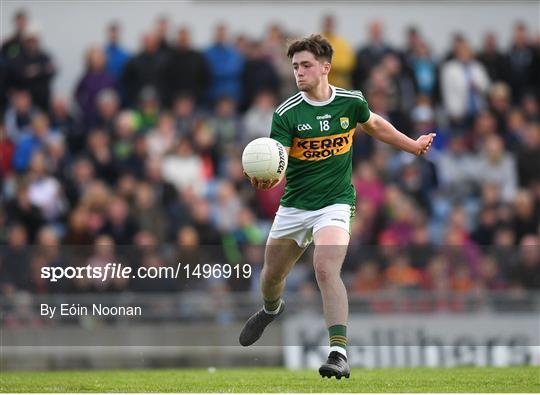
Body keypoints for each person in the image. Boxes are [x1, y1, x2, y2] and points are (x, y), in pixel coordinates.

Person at [239, 34, 435, 379]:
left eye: (306, 65)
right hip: (295, 204)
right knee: (271, 277)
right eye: (295, 66)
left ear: (325, 68)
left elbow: (374, 125)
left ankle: (338, 353)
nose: (299, 72)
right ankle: (271, 309)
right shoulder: (287, 112)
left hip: (335, 202)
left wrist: (412, 145)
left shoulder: (350, 101)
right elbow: (279, 157)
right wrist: (271, 177)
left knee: (326, 268)